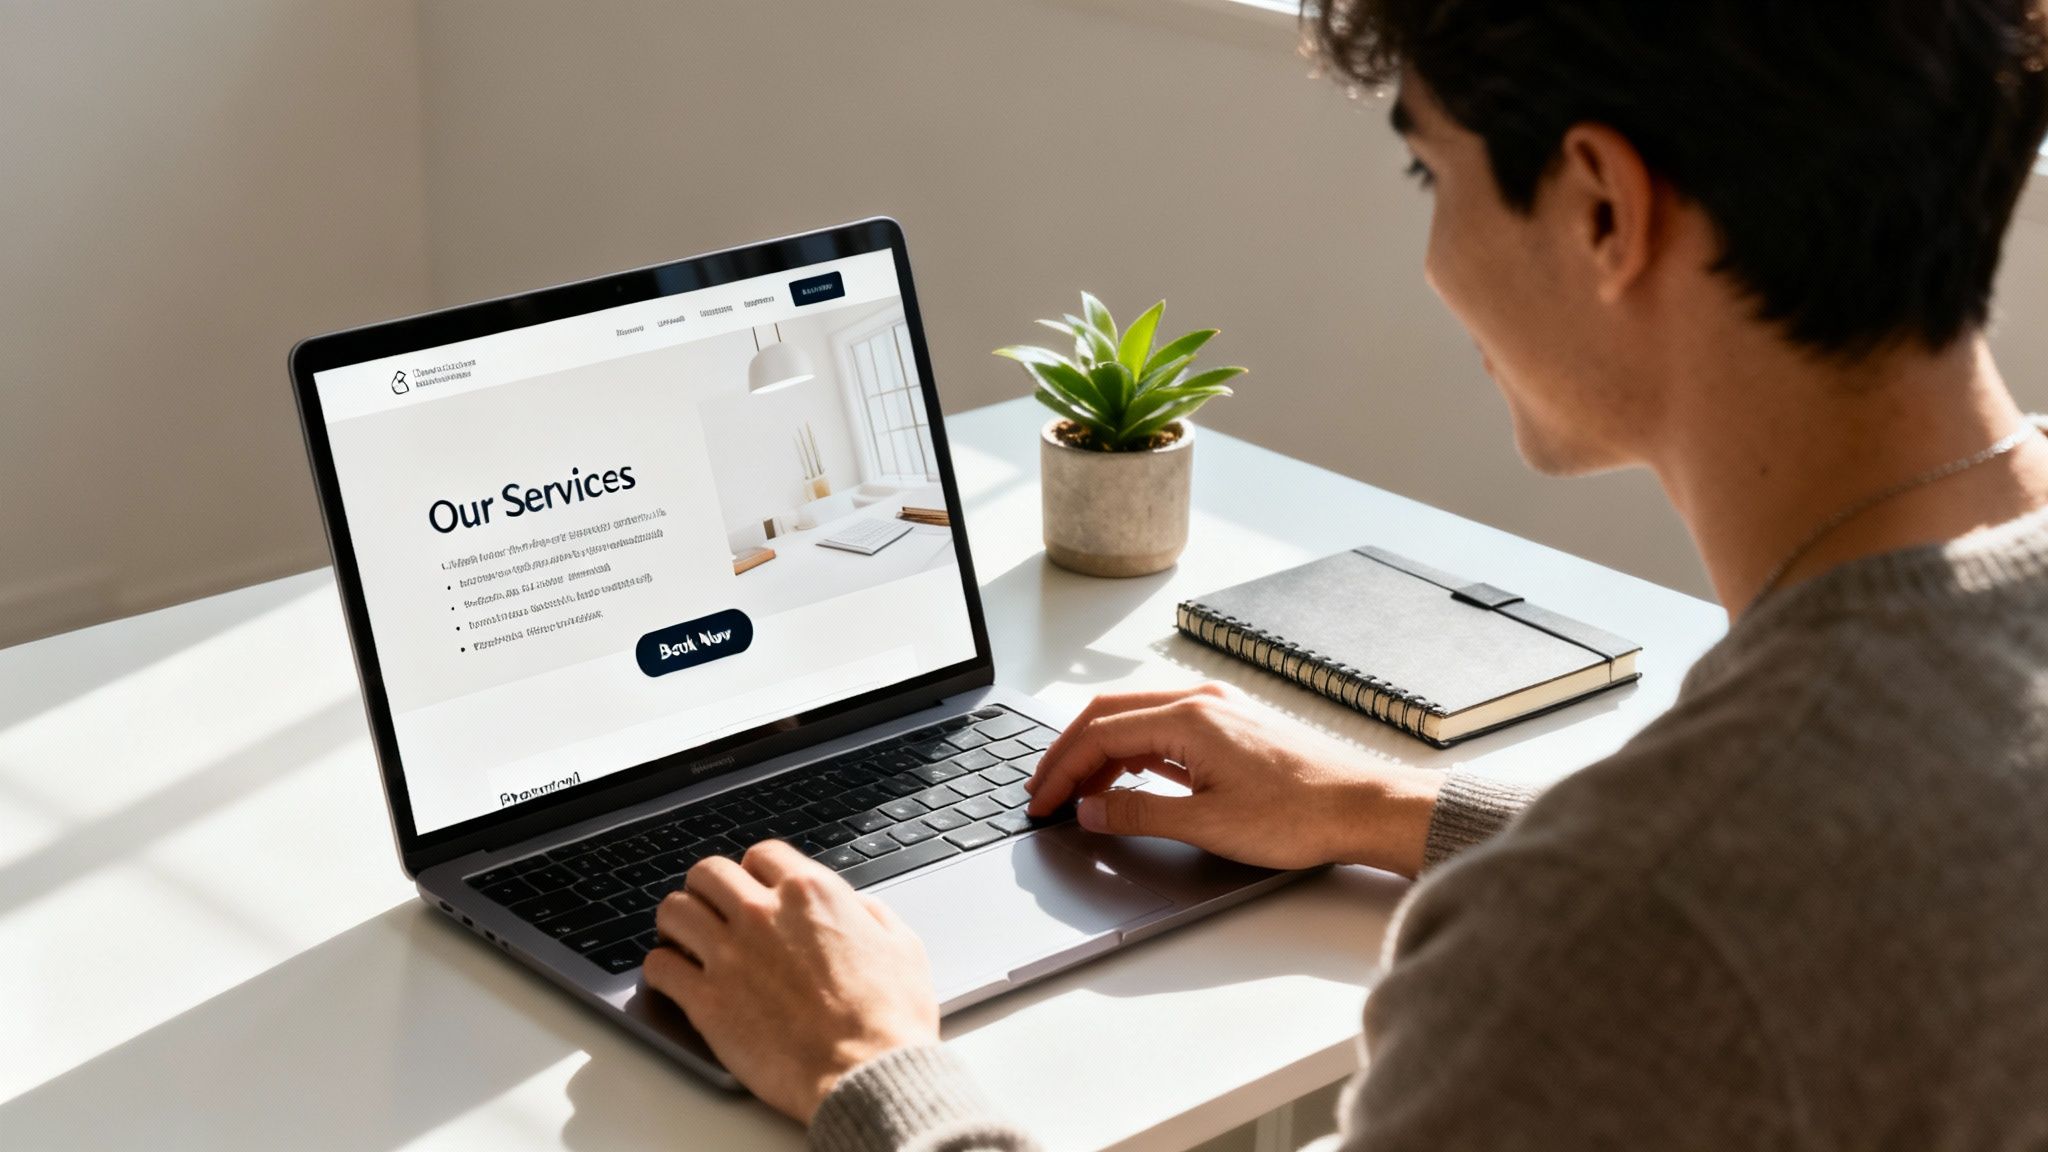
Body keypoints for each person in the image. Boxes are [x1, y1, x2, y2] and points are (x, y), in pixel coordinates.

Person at [641, 0, 2048, 1147]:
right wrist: (1385, 806)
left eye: (1429, 172)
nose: (1433, 257)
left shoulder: (1591, 946)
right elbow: (1823, 877)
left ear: (1606, 211)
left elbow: (1688, 910)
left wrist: (867, 1069)